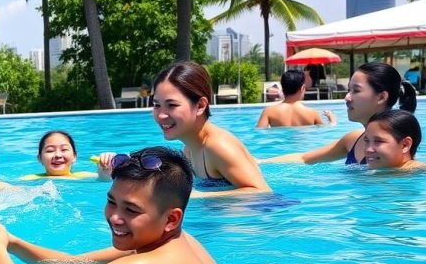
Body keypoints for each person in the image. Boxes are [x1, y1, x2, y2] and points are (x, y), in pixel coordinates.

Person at [0, 147, 227, 264]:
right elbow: (72, 261)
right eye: (112, 202)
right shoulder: (169, 240)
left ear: (171, 219)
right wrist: (10, 242)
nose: (115, 217)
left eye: (131, 210)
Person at [263, 62, 418, 166]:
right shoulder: (352, 140)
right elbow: (304, 158)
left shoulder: (395, 144)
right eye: (348, 90)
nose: (347, 97)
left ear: (381, 97)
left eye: (356, 91)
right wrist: (257, 162)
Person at [152, 61, 270, 194]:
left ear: (200, 106)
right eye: (156, 105)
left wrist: (198, 196)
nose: (161, 115)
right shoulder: (189, 150)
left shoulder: (218, 147)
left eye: (172, 105)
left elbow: (262, 192)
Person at [20, 131, 113, 181]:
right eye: (50, 150)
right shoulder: (31, 179)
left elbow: (105, 180)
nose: (57, 155)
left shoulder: (84, 176)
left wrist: (105, 169)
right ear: (40, 159)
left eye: (64, 149)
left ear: (74, 157)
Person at [256, 70, 336, 128]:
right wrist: (332, 120)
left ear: (283, 87)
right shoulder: (312, 113)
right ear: (303, 88)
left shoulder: (269, 112)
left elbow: (259, 133)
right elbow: (325, 131)